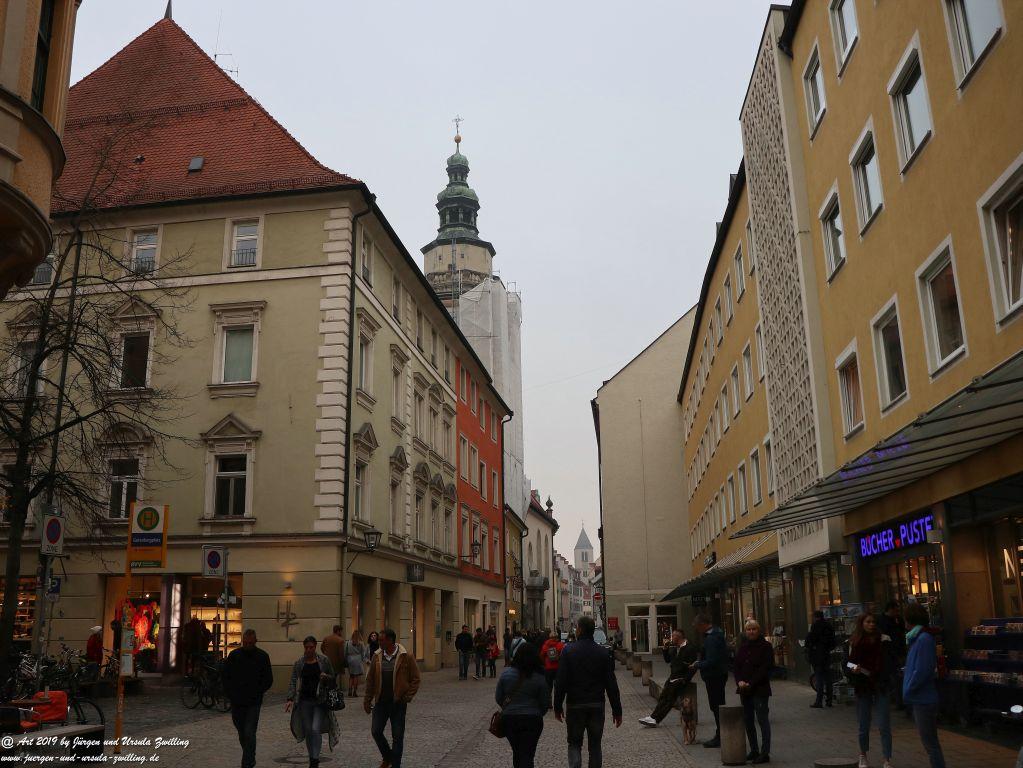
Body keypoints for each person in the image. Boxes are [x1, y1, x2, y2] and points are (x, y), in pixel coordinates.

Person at [554, 616, 622, 768]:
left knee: (574, 743)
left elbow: (561, 681)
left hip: (575, 704)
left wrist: (557, 706)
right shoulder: (602, 653)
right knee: (595, 745)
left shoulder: (568, 651)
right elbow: (611, 684)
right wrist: (617, 710)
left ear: (579, 630)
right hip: (596, 704)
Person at [364, 627, 421, 768]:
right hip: (381, 702)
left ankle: (395, 765)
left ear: (390, 641)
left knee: (397, 736)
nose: (379, 642)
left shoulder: (405, 656)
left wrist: (408, 696)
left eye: (382, 640)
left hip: (398, 703)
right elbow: (370, 680)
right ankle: (388, 757)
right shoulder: (377, 656)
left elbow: (415, 679)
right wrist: (367, 699)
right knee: (376, 731)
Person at [848, 612, 895, 768]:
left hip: (880, 684)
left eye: (873, 622)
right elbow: (847, 663)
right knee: (863, 724)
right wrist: (854, 668)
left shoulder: (884, 640)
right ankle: (863, 755)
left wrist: (884, 676)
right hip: (863, 685)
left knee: (884, 724)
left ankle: (887, 759)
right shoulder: (854, 641)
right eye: (868, 622)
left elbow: (890, 662)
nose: (871, 624)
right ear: (861, 623)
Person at [223, 629, 274, 768]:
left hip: (253, 702)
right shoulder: (234, 655)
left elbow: (268, 679)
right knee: (241, 731)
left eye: (250, 643)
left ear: (255, 642)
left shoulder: (262, 656)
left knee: (249, 732)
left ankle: (247, 763)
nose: (247, 645)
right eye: (245, 643)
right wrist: (230, 694)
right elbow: (226, 676)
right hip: (237, 701)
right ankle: (250, 755)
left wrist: (258, 691)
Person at [903, 603, 946, 768]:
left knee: (930, 743)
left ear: (910, 619)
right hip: (920, 696)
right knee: (929, 742)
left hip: (923, 697)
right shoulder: (918, 638)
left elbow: (922, 669)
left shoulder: (923, 639)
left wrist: (909, 687)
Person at [286, 635, 339, 768]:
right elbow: (293, 680)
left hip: (320, 701)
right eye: (307, 647)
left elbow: (333, 678)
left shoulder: (324, 661)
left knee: (315, 729)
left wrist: (326, 677)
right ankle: (312, 758)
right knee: (309, 730)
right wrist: (290, 698)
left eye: (311, 647)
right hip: (304, 701)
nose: (309, 650)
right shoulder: (299, 663)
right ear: (304, 647)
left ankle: (315, 760)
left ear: (315, 647)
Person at [497, 642, 550, 768]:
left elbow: (498, 697)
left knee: (517, 752)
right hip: (532, 719)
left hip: (510, 719)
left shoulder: (506, 674)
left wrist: (508, 707)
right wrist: (538, 712)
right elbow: (544, 702)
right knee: (527, 754)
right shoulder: (539, 677)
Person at [638, 628, 698, 727]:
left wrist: (685, 679)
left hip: (680, 679)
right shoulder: (674, 648)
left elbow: (693, 666)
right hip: (672, 677)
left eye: (673, 636)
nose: (671, 638)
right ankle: (653, 717)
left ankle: (655, 719)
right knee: (663, 698)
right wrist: (665, 649)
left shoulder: (689, 648)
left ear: (678, 637)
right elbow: (667, 660)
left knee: (669, 700)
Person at [734, 620, 773, 764]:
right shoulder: (743, 647)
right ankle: (754, 750)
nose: (751, 632)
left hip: (760, 689)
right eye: (748, 629)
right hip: (745, 690)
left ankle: (765, 752)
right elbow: (736, 666)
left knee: (762, 720)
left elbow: (765, 668)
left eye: (754, 629)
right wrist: (739, 681)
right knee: (748, 721)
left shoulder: (766, 646)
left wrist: (751, 682)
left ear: (758, 630)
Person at [692, 612, 728, 748]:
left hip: (714, 676)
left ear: (703, 624)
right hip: (718, 674)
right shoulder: (716, 633)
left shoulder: (712, 638)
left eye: (697, 626)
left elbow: (712, 660)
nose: (697, 629)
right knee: (717, 705)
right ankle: (721, 734)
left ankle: (721, 736)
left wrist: (697, 665)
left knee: (716, 706)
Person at [880, 601, 907, 708]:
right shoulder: (882, 621)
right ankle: (898, 699)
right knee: (895, 677)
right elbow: (849, 663)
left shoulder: (898, 619)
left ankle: (900, 700)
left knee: (899, 677)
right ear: (890, 609)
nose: (897, 613)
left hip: (899, 651)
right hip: (889, 653)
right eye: (895, 610)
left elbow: (902, 632)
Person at [806, 610, 836, 708]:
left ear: (815, 617)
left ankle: (819, 701)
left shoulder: (815, 626)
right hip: (826, 655)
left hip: (817, 656)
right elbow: (833, 642)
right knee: (828, 679)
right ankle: (829, 700)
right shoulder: (829, 626)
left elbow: (810, 639)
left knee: (819, 679)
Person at [540, 630, 565, 699]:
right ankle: (557, 699)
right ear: (557, 637)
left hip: (548, 668)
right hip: (558, 668)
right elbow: (564, 656)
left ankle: (549, 700)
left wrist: (545, 663)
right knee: (558, 686)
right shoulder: (561, 645)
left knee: (548, 686)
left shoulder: (545, 645)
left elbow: (541, 656)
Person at [320, 625, 345, 690]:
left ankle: (325, 690)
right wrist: (342, 663)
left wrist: (325, 654)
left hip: (326, 661)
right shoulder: (340, 640)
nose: (341, 633)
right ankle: (332, 692)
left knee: (326, 677)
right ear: (338, 631)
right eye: (341, 631)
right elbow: (341, 654)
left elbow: (322, 648)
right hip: (335, 663)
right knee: (333, 678)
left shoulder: (326, 638)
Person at [346, 630, 369, 696]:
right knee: (356, 676)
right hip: (357, 659)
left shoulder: (348, 643)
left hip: (350, 659)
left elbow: (346, 652)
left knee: (351, 676)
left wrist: (346, 659)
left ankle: (349, 690)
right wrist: (364, 660)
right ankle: (355, 692)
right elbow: (363, 653)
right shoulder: (360, 643)